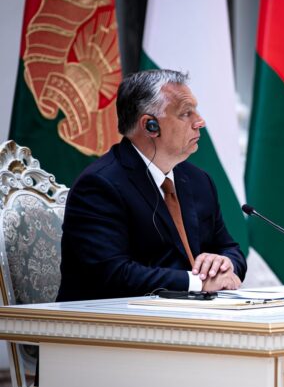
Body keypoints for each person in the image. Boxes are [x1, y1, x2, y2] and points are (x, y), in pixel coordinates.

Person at [57, 69, 246, 301]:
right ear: (150, 126)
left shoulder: (199, 180)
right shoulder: (99, 185)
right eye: (186, 113)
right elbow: (112, 273)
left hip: (189, 314)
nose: (200, 122)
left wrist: (225, 264)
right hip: (111, 319)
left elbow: (230, 248)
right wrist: (199, 282)